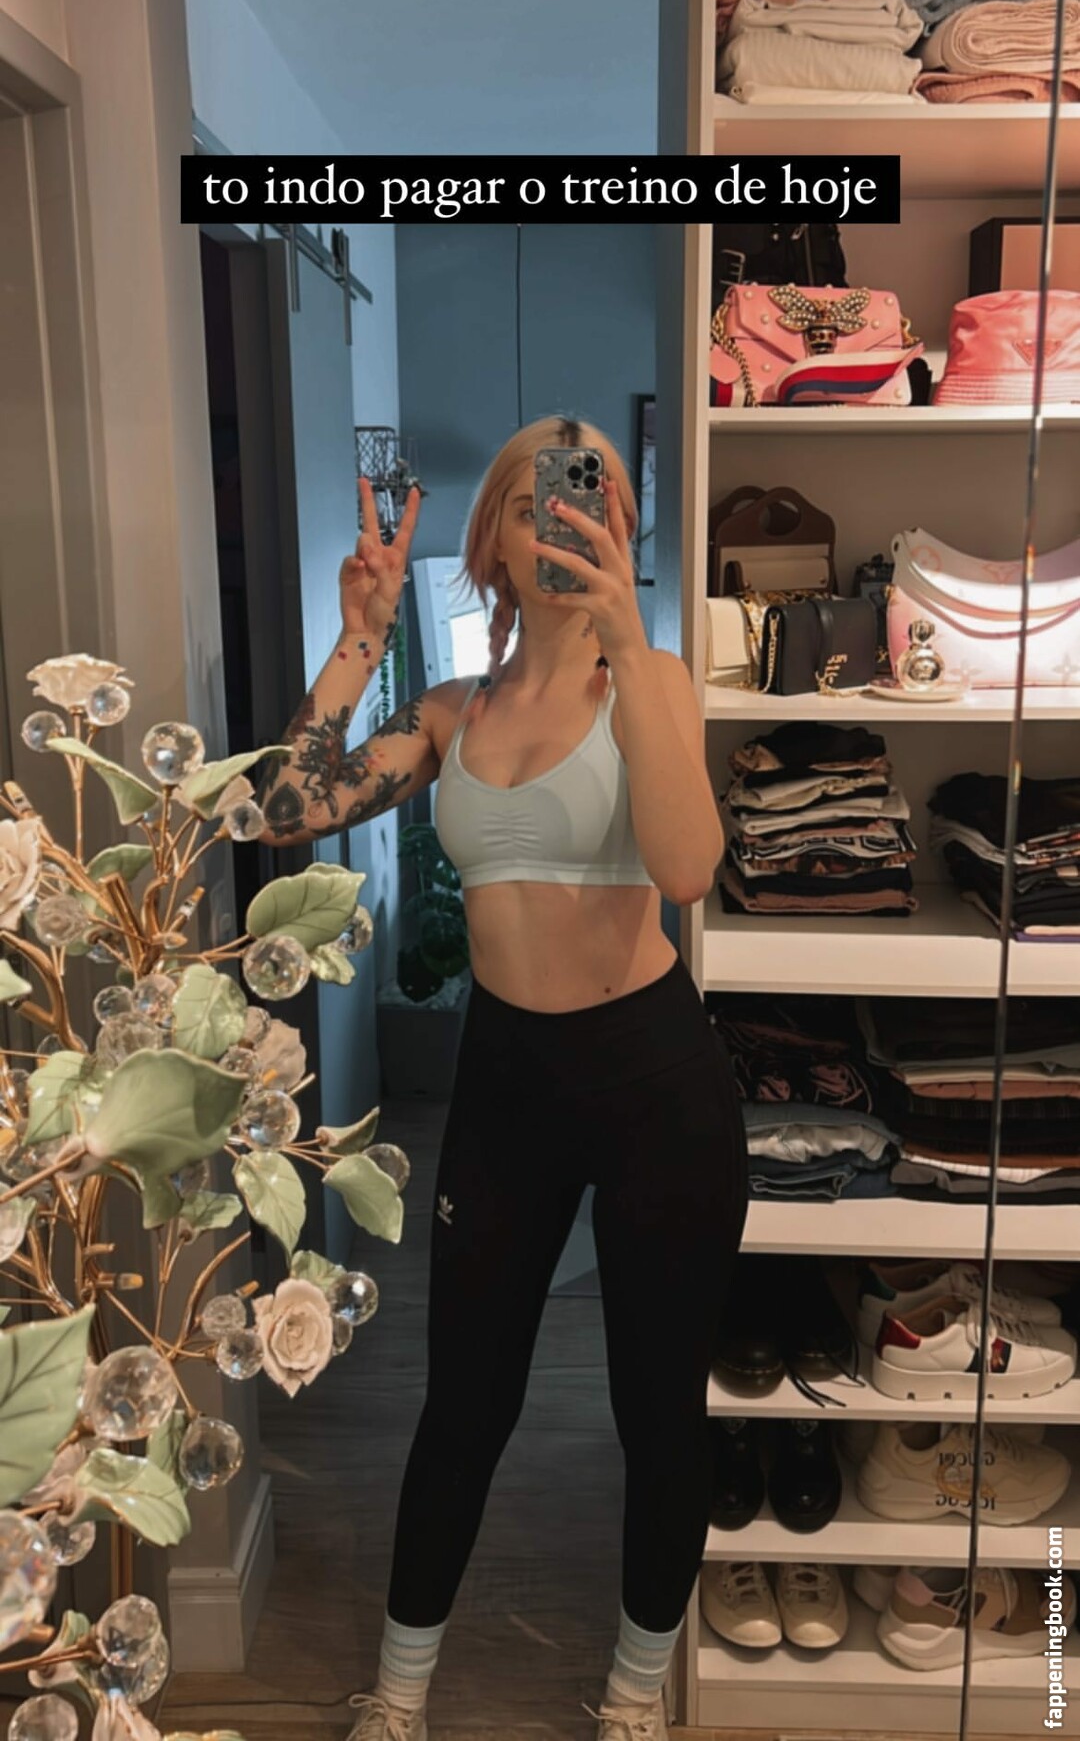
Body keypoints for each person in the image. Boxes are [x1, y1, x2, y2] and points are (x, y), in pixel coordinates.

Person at [257, 413, 749, 1741]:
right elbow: (286, 809)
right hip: (508, 1082)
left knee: (658, 1413)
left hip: (655, 1082)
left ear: (623, 528)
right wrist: (360, 635)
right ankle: (397, 1696)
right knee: (464, 1406)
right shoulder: (452, 714)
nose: (562, 523)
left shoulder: (653, 683)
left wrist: (630, 640)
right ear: (492, 540)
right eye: (536, 502)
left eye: (592, 501)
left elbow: (689, 870)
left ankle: (632, 1704)